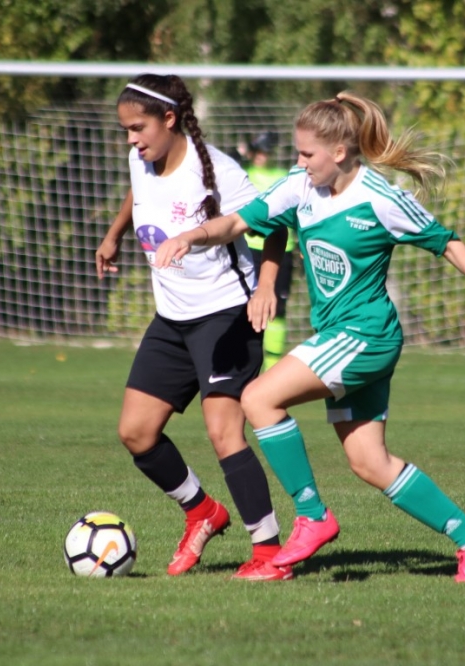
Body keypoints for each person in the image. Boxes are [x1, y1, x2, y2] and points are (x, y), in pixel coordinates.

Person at [154, 91, 465, 582]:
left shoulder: (381, 198)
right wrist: (190, 236)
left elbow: (447, 243)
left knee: (258, 398)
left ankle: (312, 516)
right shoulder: (300, 186)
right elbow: (236, 222)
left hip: (366, 335)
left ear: (339, 152)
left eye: (307, 153)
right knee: (370, 462)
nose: (299, 162)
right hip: (344, 335)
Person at [95, 74, 293, 582]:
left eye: (138, 128)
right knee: (136, 433)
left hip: (226, 316)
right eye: (125, 130)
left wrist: (268, 286)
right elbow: (138, 193)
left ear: (169, 119)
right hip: (172, 317)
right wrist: (115, 235)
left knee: (223, 431)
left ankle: (269, 552)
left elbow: (274, 225)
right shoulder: (140, 158)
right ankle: (202, 511)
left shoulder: (220, 172)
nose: (131, 140)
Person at [243, 132, 298, 370]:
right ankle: (248, 364)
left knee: (277, 308)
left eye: (266, 151)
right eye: (258, 151)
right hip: (249, 249)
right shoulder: (243, 174)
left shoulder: (283, 177)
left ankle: (272, 367)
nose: (262, 156)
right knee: (245, 307)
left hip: (281, 249)